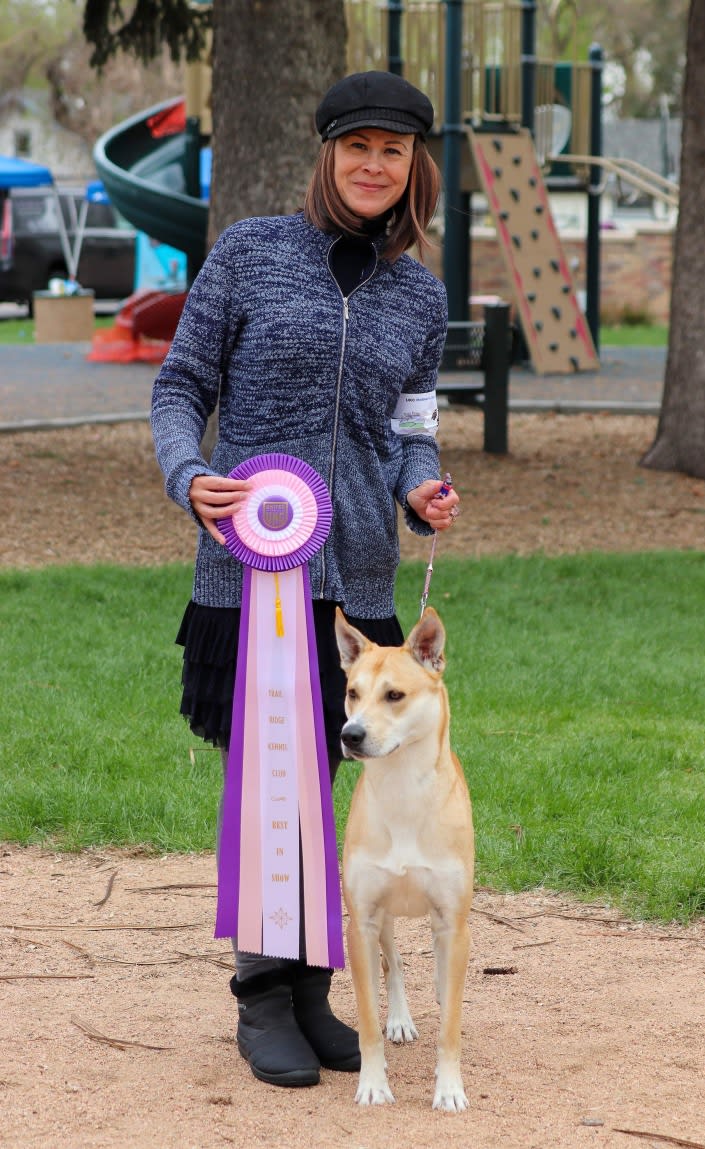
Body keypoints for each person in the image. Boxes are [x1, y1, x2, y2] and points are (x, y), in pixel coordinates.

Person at [150, 70, 461, 1090]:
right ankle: (260, 996)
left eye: (395, 150)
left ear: (414, 165)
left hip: (357, 583)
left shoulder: (420, 292)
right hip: (247, 576)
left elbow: (410, 428)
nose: (375, 164)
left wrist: (424, 489)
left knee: (325, 789)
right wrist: (189, 476)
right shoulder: (247, 252)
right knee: (263, 788)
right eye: (357, 145)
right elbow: (181, 384)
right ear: (325, 153)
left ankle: (314, 991)